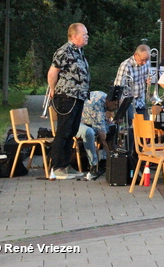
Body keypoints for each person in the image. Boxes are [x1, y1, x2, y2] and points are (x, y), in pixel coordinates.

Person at [47, 23, 91, 180]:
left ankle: (66, 166)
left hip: (78, 97)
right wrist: (53, 90)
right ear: (74, 36)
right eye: (84, 34)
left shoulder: (79, 51)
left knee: (72, 131)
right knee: (63, 131)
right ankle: (57, 167)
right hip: (66, 96)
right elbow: (52, 73)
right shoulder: (64, 51)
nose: (87, 37)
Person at [78, 90, 118, 176]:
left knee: (112, 128)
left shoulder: (104, 96)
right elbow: (103, 137)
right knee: (90, 133)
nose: (116, 107)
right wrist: (109, 153)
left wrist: (107, 121)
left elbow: (98, 118)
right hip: (78, 122)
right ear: (108, 101)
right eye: (115, 105)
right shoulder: (97, 104)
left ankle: (104, 160)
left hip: (89, 120)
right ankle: (94, 165)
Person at [113, 44, 151, 123]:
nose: (144, 63)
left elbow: (145, 77)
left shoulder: (146, 62)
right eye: (142, 60)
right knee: (133, 126)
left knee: (144, 125)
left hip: (140, 100)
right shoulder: (126, 65)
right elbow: (118, 85)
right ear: (136, 55)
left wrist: (147, 80)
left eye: (146, 60)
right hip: (129, 101)